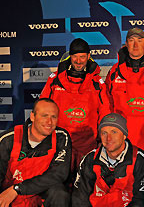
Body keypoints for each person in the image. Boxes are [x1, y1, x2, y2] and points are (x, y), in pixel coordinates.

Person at [40, 38, 110, 171]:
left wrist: (104, 138)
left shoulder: (97, 84)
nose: (78, 61)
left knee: (84, 186)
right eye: (75, 57)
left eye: (82, 57)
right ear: (70, 56)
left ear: (88, 56)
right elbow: (42, 108)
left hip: (88, 146)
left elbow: (104, 112)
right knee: (59, 186)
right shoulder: (55, 80)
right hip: (59, 144)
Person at [106, 27, 144, 162]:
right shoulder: (114, 72)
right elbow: (107, 104)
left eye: (139, 40)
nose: (135, 45)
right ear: (126, 45)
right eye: (131, 40)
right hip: (123, 146)